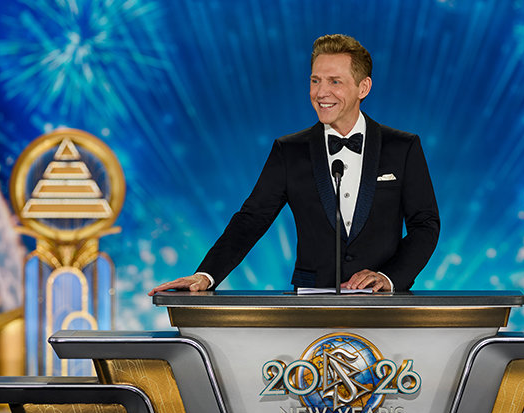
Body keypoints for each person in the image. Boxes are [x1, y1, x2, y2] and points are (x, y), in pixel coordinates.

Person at [149, 34, 439, 295]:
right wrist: (205, 275)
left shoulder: (403, 147)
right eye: (315, 80)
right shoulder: (289, 151)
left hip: (385, 304)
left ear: (363, 87)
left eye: (334, 81)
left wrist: (389, 277)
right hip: (310, 305)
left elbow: (425, 225)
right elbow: (251, 219)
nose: (321, 92)